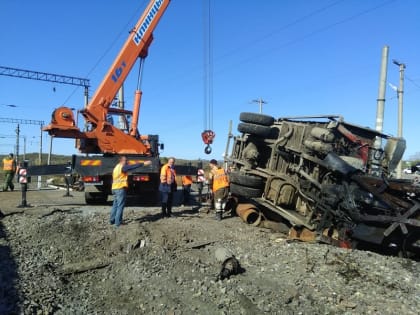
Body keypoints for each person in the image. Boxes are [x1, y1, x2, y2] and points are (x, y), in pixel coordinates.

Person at [110, 155, 152, 227]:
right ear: (122, 161)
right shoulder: (122, 167)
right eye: (126, 160)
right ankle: (118, 223)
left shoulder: (116, 167)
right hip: (120, 189)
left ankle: (112, 220)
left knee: (115, 205)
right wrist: (143, 163)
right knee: (120, 206)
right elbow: (133, 166)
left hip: (114, 188)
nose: (127, 162)